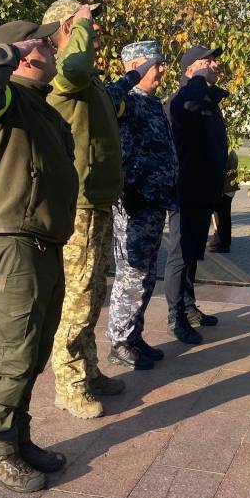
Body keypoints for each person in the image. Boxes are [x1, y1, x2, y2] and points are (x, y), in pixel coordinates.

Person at [0, 19, 79, 492]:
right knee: (11, 356)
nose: (53, 50)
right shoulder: (5, 99)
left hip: (42, 244)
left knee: (33, 352)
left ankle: (19, 438)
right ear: (26, 53)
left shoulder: (40, 106)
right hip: (11, 245)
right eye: (46, 44)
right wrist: (10, 51)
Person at [42, 0, 142, 418]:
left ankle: (89, 369)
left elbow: (112, 101)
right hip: (79, 205)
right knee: (77, 298)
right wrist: (79, 24)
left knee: (95, 293)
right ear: (67, 27)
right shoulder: (66, 74)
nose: (96, 30)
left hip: (100, 201)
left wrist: (134, 76)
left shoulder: (90, 82)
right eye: (88, 24)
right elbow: (77, 67)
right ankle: (68, 384)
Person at [105, 40, 178, 370]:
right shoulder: (126, 101)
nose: (162, 69)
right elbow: (107, 105)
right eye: (156, 63)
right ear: (136, 65)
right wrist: (129, 188)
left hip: (154, 201)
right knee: (131, 273)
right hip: (133, 203)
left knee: (146, 276)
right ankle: (119, 341)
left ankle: (133, 336)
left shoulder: (152, 103)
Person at [164, 45, 229, 345]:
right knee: (179, 255)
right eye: (206, 61)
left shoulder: (205, 100)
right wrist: (200, 80)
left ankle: (189, 307)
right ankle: (175, 316)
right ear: (189, 70)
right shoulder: (182, 99)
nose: (213, 65)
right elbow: (184, 113)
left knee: (192, 254)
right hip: (185, 191)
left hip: (203, 190)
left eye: (214, 60)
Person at [208, 149, 239, 253]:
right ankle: (224, 242)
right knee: (224, 216)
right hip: (229, 189)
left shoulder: (224, 155)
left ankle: (224, 244)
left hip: (225, 190)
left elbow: (221, 174)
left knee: (223, 217)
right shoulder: (231, 153)